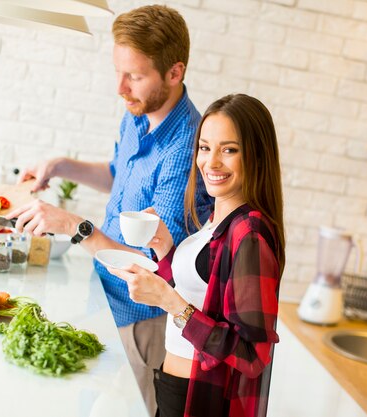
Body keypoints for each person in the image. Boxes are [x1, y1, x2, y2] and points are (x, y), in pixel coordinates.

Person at [7, 5, 212, 415]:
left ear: (174, 73)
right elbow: (120, 176)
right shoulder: (139, 112)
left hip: (143, 320)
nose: (121, 87)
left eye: (134, 76)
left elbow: (152, 267)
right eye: (118, 71)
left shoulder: (186, 147)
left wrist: (74, 226)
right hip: (103, 296)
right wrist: (62, 166)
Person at [110, 94, 285, 417]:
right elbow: (201, 298)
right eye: (205, 148)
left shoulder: (251, 234)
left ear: (256, 156)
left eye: (229, 150)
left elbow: (251, 355)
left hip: (199, 399)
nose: (211, 162)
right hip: (172, 384)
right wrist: (164, 249)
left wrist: (169, 302)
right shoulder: (218, 220)